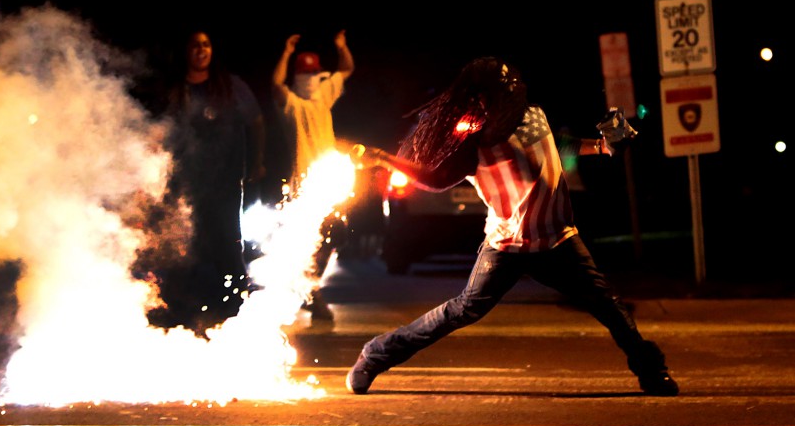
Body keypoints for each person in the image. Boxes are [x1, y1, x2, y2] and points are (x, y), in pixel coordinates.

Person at [344, 57, 678, 396]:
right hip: (506, 247)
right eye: (499, 95)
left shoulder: (533, 115)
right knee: (461, 311)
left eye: (510, 92)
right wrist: (383, 158)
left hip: (557, 240)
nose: (509, 99)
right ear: (481, 101)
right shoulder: (472, 145)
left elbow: (557, 143)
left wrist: (603, 146)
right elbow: (434, 179)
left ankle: (652, 372)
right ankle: (375, 355)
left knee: (608, 305)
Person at [144, 29, 266, 335]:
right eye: (195, 45)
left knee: (227, 244)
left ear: (213, 50)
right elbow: (159, 130)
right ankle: (178, 310)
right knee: (181, 244)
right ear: (186, 51)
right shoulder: (175, 89)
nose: (201, 50)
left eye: (206, 44)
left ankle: (236, 307)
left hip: (224, 180)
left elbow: (256, 122)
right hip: (183, 182)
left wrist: (257, 162)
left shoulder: (230, 86)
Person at [272, 30, 355, 323]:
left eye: (313, 73)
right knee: (308, 240)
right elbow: (276, 84)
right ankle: (310, 292)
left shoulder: (324, 99)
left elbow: (346, 69)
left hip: (328, 184)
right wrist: (286, 53)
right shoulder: (293, 105)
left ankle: (309, 287)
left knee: (336, 237)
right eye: (304, 73)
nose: (310, 78)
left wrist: (341, 47)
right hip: (303, 188)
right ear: (298, 77)